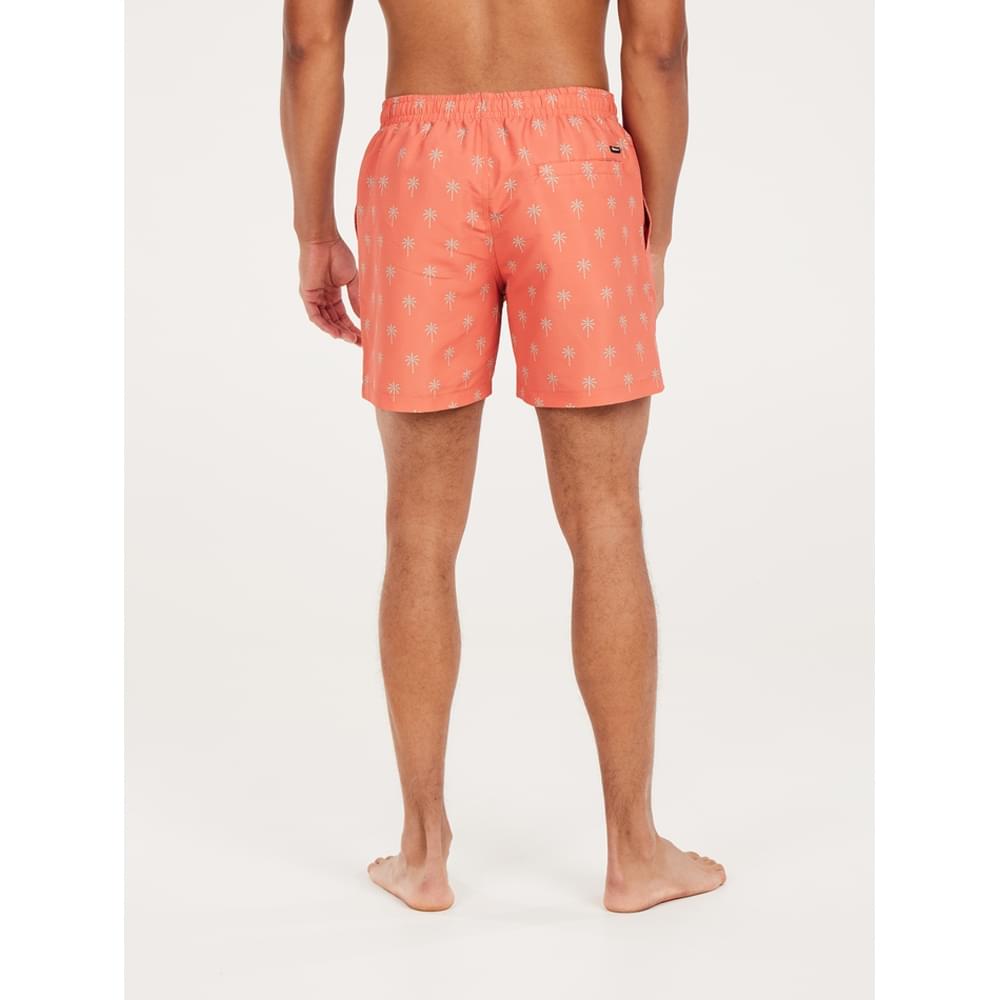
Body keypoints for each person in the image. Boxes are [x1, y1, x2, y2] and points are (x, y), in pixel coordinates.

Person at [280, 0, 725, 913]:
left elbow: (310, 40)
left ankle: (422, 852)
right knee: (608, 519)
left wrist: (314, 228)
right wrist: (658, 226)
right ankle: (634, 852)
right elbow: (658, 47)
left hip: (419, 170)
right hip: (578, 169)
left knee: (418, 529)